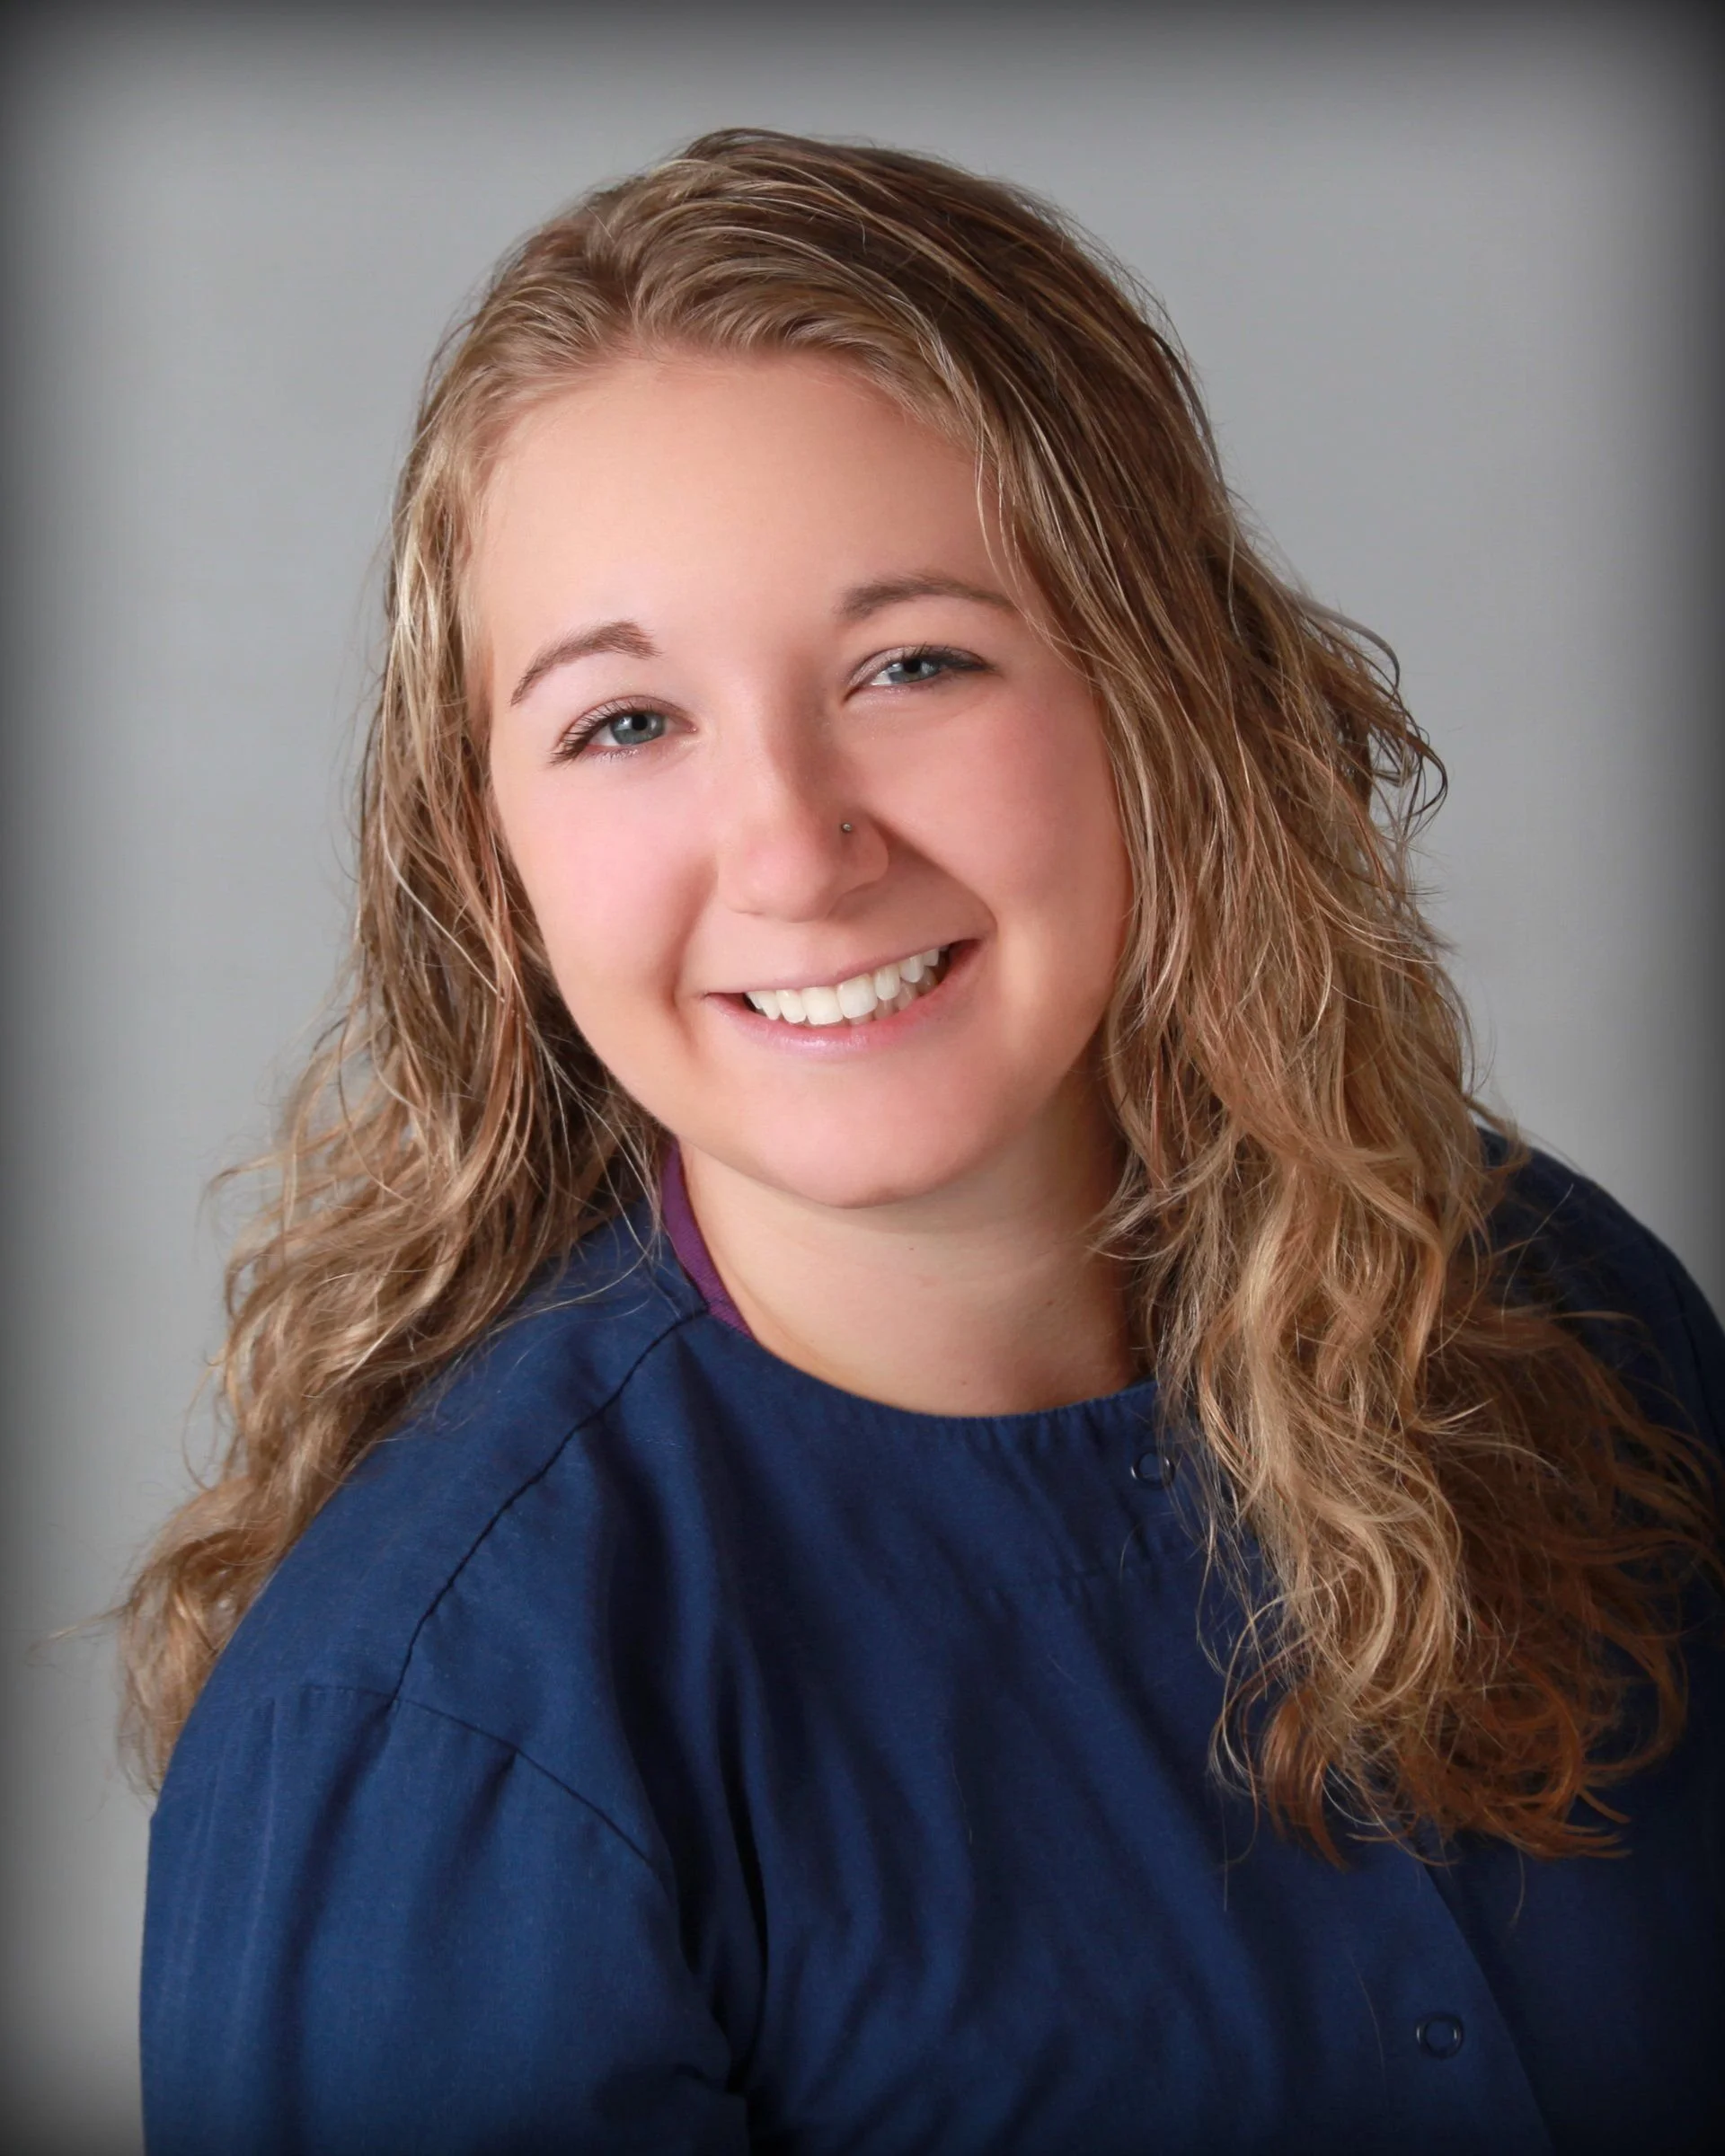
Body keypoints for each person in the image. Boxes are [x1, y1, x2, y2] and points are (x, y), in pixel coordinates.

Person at [127, 129, 1722, 2154]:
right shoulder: (438, 1740)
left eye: (915, 665)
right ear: (486, 852)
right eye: (628, 722)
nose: (797, 845)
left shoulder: (1558, 1313)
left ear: (1169, 703)